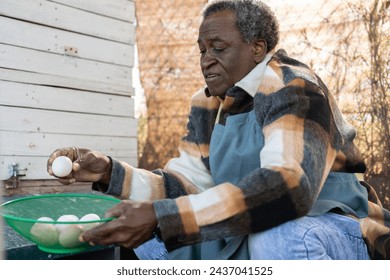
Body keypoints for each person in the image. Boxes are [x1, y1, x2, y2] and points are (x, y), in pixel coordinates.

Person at [47, 0, 389, 260]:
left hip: (335, 228)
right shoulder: (208, 103)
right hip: (252, 228)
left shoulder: (292, 85)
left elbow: (288, 189)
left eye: (218, 47)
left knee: (274, 233)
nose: (206, 59)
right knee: (155, 237)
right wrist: (110, 171)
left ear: (257, 47)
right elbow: (184, 186)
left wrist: (161, 216)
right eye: (202, 50)